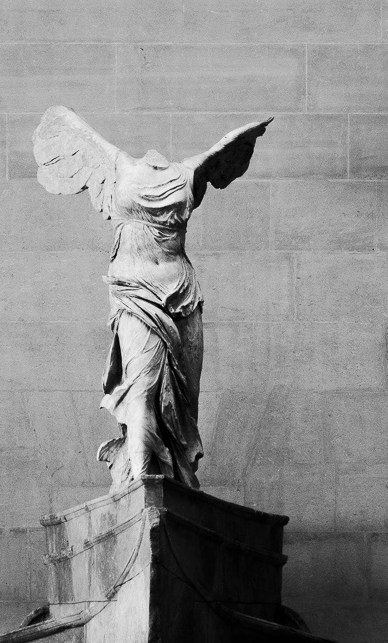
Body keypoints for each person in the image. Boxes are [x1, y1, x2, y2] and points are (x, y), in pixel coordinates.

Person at [33, 106, 272, 490]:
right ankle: (143, 485)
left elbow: (227, 149)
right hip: (137, 293)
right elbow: (63, 128)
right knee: (142, 389)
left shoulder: (186, 171)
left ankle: (172, 480)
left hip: (182, 295)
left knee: (184, 400)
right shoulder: (122, 165)